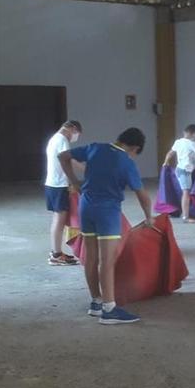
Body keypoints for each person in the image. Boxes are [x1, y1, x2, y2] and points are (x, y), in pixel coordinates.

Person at [58, 127, 153, 325]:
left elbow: (63, 156)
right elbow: (142, 195)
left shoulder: (95, 148)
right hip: (108, 212)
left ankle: (96, 302)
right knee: (107, 261)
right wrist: (149, 217)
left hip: (86, 208)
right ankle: (109, 309)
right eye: (136, 153)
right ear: (135, 147)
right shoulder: (127, 163)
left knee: (91, 257)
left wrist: (74, 182)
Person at [45, 120, 83, 266]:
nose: (75, 136)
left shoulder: (54, 138)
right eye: (77, 133)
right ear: (72, 128)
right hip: (59, 185)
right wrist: (85, 171)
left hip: (52, 184)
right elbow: (69, 161)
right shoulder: (62, 140)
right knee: (59, 220)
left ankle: (56, 252)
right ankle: (56, 254)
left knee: (58, 219)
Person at [163, 124, 195, 223]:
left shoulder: (178, 142)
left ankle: (184, 213)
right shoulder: (192, 144)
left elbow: (170, 153)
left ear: (184, 132)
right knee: (186, 193)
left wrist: (166, 162)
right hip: (186, 170)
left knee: (184, 191)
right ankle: (185, 217)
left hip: (178, 169)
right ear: (193, 134)